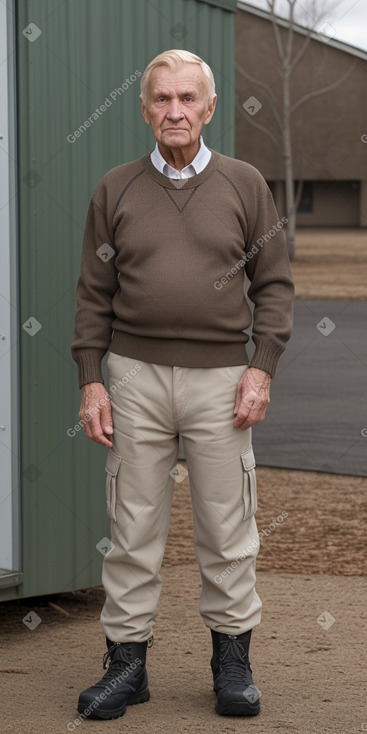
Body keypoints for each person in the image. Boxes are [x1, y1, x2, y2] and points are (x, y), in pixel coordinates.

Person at [71, 49, 294, 721]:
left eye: (186, 99)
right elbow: (92, 295)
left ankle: (232, 664)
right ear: (144, 110)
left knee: (227, 528)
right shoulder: (115, 188)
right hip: (133, 377)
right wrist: (92, 379)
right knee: (132, 525)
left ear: (209, 108)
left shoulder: (246, 184)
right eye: (161, 99)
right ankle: (126, 665)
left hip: (223, 381)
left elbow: (275, 287)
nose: (174, 111)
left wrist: (261, 367)